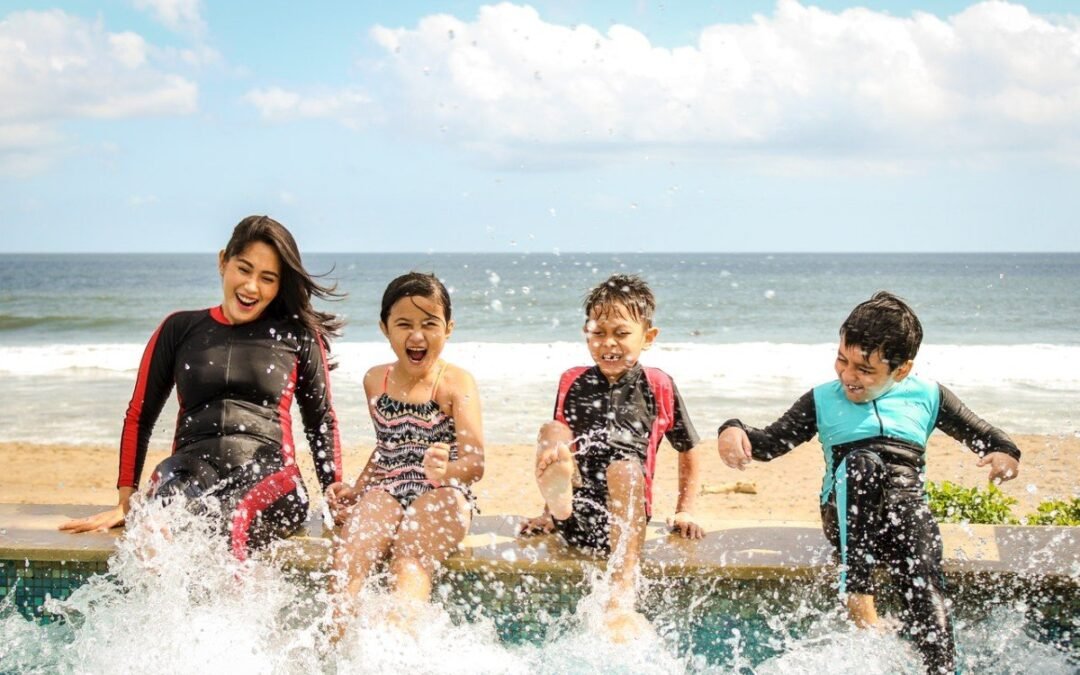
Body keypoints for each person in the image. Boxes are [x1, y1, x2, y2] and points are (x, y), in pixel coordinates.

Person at [717, 291, 1021, 674]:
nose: (847, 375)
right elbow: (770, 443)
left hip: (904, 514)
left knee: (923, 569)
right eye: (842, 360)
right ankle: (859, 597)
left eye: (864, 369)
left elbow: (990, 437)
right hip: (845, 511)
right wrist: (732, 429)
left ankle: (941, 667)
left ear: (901, 370)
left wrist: (1005, 455)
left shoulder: (928, 395)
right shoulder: (823, 399)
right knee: (863, 464)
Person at [60, 215, 344, 561]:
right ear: (223, 261)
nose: (252, 286)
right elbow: (140, 415)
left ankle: (234, 616)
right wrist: (126, 499)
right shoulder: (179, 329)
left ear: (278, 286)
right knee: (155, 524)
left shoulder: (296, 337)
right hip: (188, 469)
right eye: (244, 269)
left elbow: (321, 422)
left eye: (267, 279)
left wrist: (333, 494)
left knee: (230, 524)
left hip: (271, 476)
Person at [520, 273, 703, 642]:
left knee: (622, 466)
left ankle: (622, 591)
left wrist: (685, 508)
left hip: (627, 523)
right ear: (586, 333)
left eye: (621, 333)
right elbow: (560, 453)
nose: (608, 343)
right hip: (577, 515)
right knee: (551, 432)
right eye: (598, 332)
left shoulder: (658, 384)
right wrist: (546, 513)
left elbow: (689, 448)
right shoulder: (572, 379)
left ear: (648, 337)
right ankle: (556, 507)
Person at [325, 272, 483, 627]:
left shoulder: (456, 382)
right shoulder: (375, 380)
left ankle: (401, 649)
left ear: (448, 328)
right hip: (388, 488)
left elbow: (475, 464)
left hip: (444, 492)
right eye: (403, 324)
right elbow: (387, 447)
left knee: (409, 559)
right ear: (384, 328)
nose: (416, 335)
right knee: (350, 555)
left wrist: (448, 470)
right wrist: (358, 489)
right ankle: (333, 649)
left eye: (429, 324)